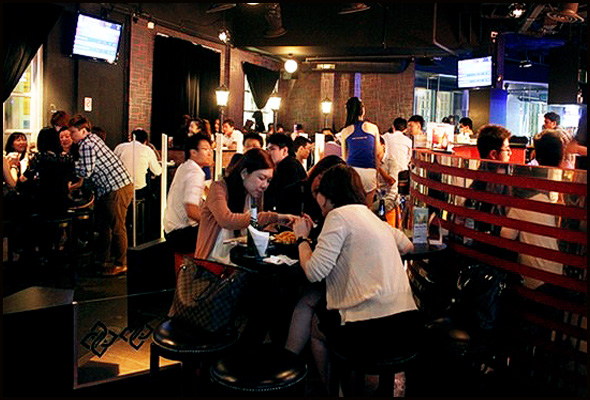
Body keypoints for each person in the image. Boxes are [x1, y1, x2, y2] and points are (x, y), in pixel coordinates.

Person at [291, 164, 419, 393]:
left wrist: (302, 239)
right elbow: (408, 246)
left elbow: (314, 272)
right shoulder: (372, 217)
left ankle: (335, 392)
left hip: (367, 331)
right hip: (405, 326)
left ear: (325, 196)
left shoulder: (337, 216)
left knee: (317, 330)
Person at [194, 147, 295, 263]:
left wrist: (273, 225)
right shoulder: (218, 188)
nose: (264, 185)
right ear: (244, 174)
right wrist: (273, 217)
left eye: (268, 180)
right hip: (212, 262)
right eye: (261, 178)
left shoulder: (256, 195)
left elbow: (255, 225)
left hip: (239, 260)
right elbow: (226, 220)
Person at [69, 115, 134, 276]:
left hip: (116, 188)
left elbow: (86, 171)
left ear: (83, 131)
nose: (71, 136)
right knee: (105, 226)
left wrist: (68, 165)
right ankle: (103, 261)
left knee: (117, 227)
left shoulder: (86, 145)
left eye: (73, 132)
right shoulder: (93, 139)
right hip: (115, 187)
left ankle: (121, 263)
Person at [500, 131, 564, 290]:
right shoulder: (564, 191)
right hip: (561, 278)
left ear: (535, 155)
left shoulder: (526, 200)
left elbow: (506, 236)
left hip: (533, 282)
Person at [164, 134, 213, 254]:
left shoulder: (184, 167)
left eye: (211, 149)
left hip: (170, 229)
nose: (210, 153)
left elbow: (206, 193)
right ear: (193, 152)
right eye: (205, 149)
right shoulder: (195, 173)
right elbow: (191, 210)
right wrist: (212, 223)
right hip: (182, 233)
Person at [21, 128, 77, 217]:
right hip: (63, 201)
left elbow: (25, 177)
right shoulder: (68, 158)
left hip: (44, 201)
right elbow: (71, 179)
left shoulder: (40, 157)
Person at [339, 97, 380, 204]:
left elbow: (344, 157)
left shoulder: (345, 131)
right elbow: (377, 154)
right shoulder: (373, 128)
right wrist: (377, 175)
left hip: (352, 171)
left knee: (353, 204)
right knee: (367, 207)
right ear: (362, 110)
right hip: (369, 170)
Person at [264, 133, 307, 213]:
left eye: (272, 149)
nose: (268, 153)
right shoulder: (290, 164)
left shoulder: (288, 167)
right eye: (267, 149)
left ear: (284, 150)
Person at [114, 128, 162, 197]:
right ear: (145, 141)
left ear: (131, 138)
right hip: (138, 189)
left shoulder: (120, 147)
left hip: (121, 188)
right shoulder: (147, 150)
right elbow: (157, 171)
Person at [383, 117, 412, 181]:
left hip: (387, 172)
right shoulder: (408, 141)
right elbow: (409, 157)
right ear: (405, 130)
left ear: (393, 127)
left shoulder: (385, 137)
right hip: (403, 173)